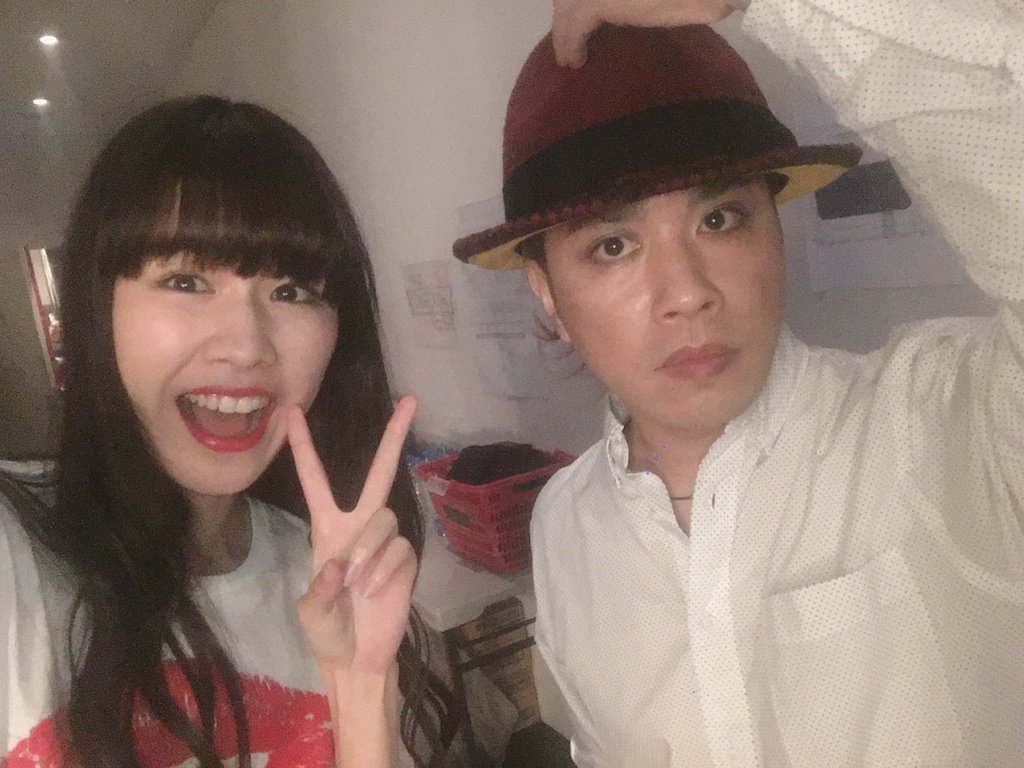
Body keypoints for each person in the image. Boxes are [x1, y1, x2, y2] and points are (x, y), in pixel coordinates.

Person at [453, 0, 1024, 765]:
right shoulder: (562, 526)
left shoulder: (943, 423)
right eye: (613, 245)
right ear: (547, 293)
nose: (687, 292)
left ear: (775, 232)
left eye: (720, 219)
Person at [0, 96, 456, 768]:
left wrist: (361, 685)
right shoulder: (17, 559)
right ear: (99, 309)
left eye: (292, 291)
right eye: (185, 280)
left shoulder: (325, 577)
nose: (246, 347)